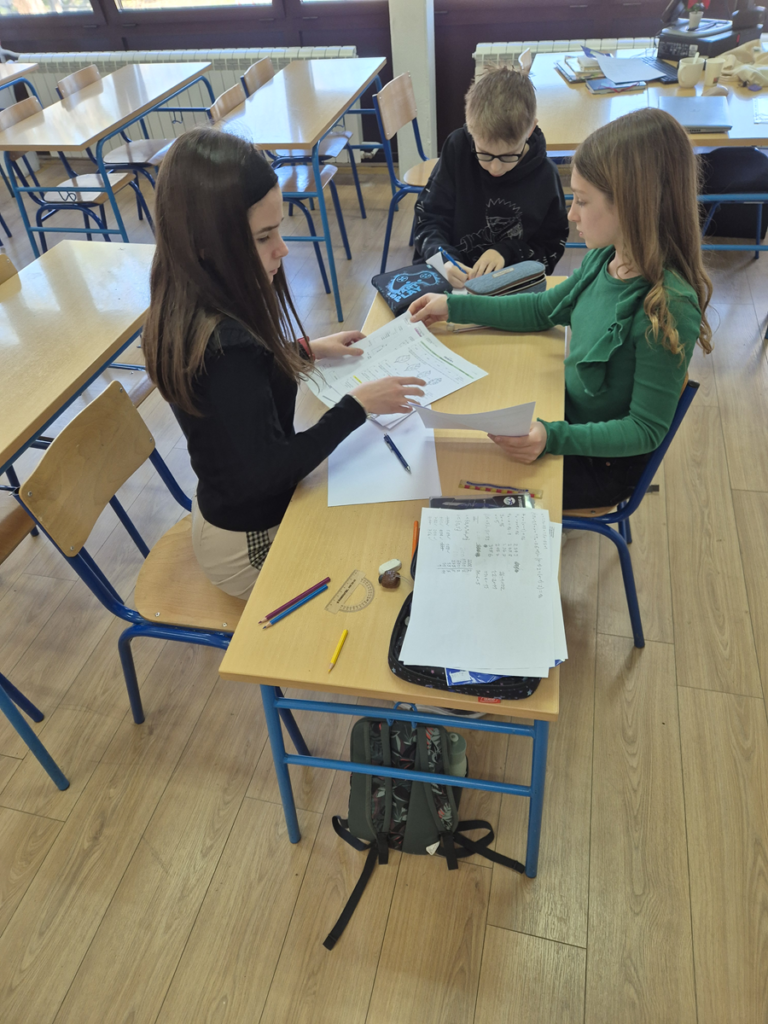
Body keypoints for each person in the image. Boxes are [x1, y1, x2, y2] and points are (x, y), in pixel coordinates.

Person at [143, 127, 425, 598]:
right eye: (264, 236)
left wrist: (304, 350)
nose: (283, 248)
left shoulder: (191, 298)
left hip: (237, 507)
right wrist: (356, 406)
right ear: (207, 243)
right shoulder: (224, 348)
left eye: (278, 229)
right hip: (248, 542)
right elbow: (271, 471)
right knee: (376, 555)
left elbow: (239, 398)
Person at [409, 108, 713, 511]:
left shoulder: (667, 307)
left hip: (599, 460)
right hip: (566, 415)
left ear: (632, 205)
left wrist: (553, 437)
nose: (571, 214)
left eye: (582, 201)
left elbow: (644, 429)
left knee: (453, 478)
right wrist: (455, 306)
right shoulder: (606, 258)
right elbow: (542, 309)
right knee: (454, 442)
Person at [412, 67, 569, 288]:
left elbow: (551, 247)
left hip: (510, 286)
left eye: (508, 156)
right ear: (471, 129)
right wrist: (442, 260)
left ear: (530, 129)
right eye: (484, 154)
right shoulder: (457, 148)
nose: (495, 168)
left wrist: (508, 252)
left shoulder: (545, 176)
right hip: (447, 278)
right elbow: (427, 219)